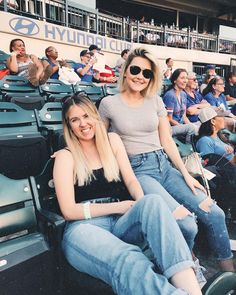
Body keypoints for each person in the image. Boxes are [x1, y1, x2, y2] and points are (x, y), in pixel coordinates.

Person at [99, 47, 234, 272]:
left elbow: (167, 140)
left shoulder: (155, 101)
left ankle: (229, 275)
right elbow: (101, 142)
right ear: (125, 71)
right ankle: (189, 269)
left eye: (147, 73)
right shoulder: (109, 104)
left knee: (215, 214)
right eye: (135, 69)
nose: (140, 76)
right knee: (186, 224)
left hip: (165, 166)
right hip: (138, 171)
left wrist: (185, 175)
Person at [53, 93, 201, 295]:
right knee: (129, 258)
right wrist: (118, 207)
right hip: (84, 228)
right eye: (75, 119)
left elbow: (131, 179)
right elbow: (69, 211)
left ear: (95, 117)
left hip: (120, 221)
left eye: (86, 116)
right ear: (68, 125)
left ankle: (194, 291)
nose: (83, 123)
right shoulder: (65, 156)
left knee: (153, 202)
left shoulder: (112, 141)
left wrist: (141, 204)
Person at [163, 69, 197, 143]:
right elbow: (169, 119)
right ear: (175, 80)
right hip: (171, 127)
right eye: (182, 78)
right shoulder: (170, 95)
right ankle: (189, 150)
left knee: (199, 125)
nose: (185, 81)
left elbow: (184, 116)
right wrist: (184, 127)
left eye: (186, 78)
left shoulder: (183, 94)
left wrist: (191, 126)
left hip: (180, 125)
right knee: (191, 128)